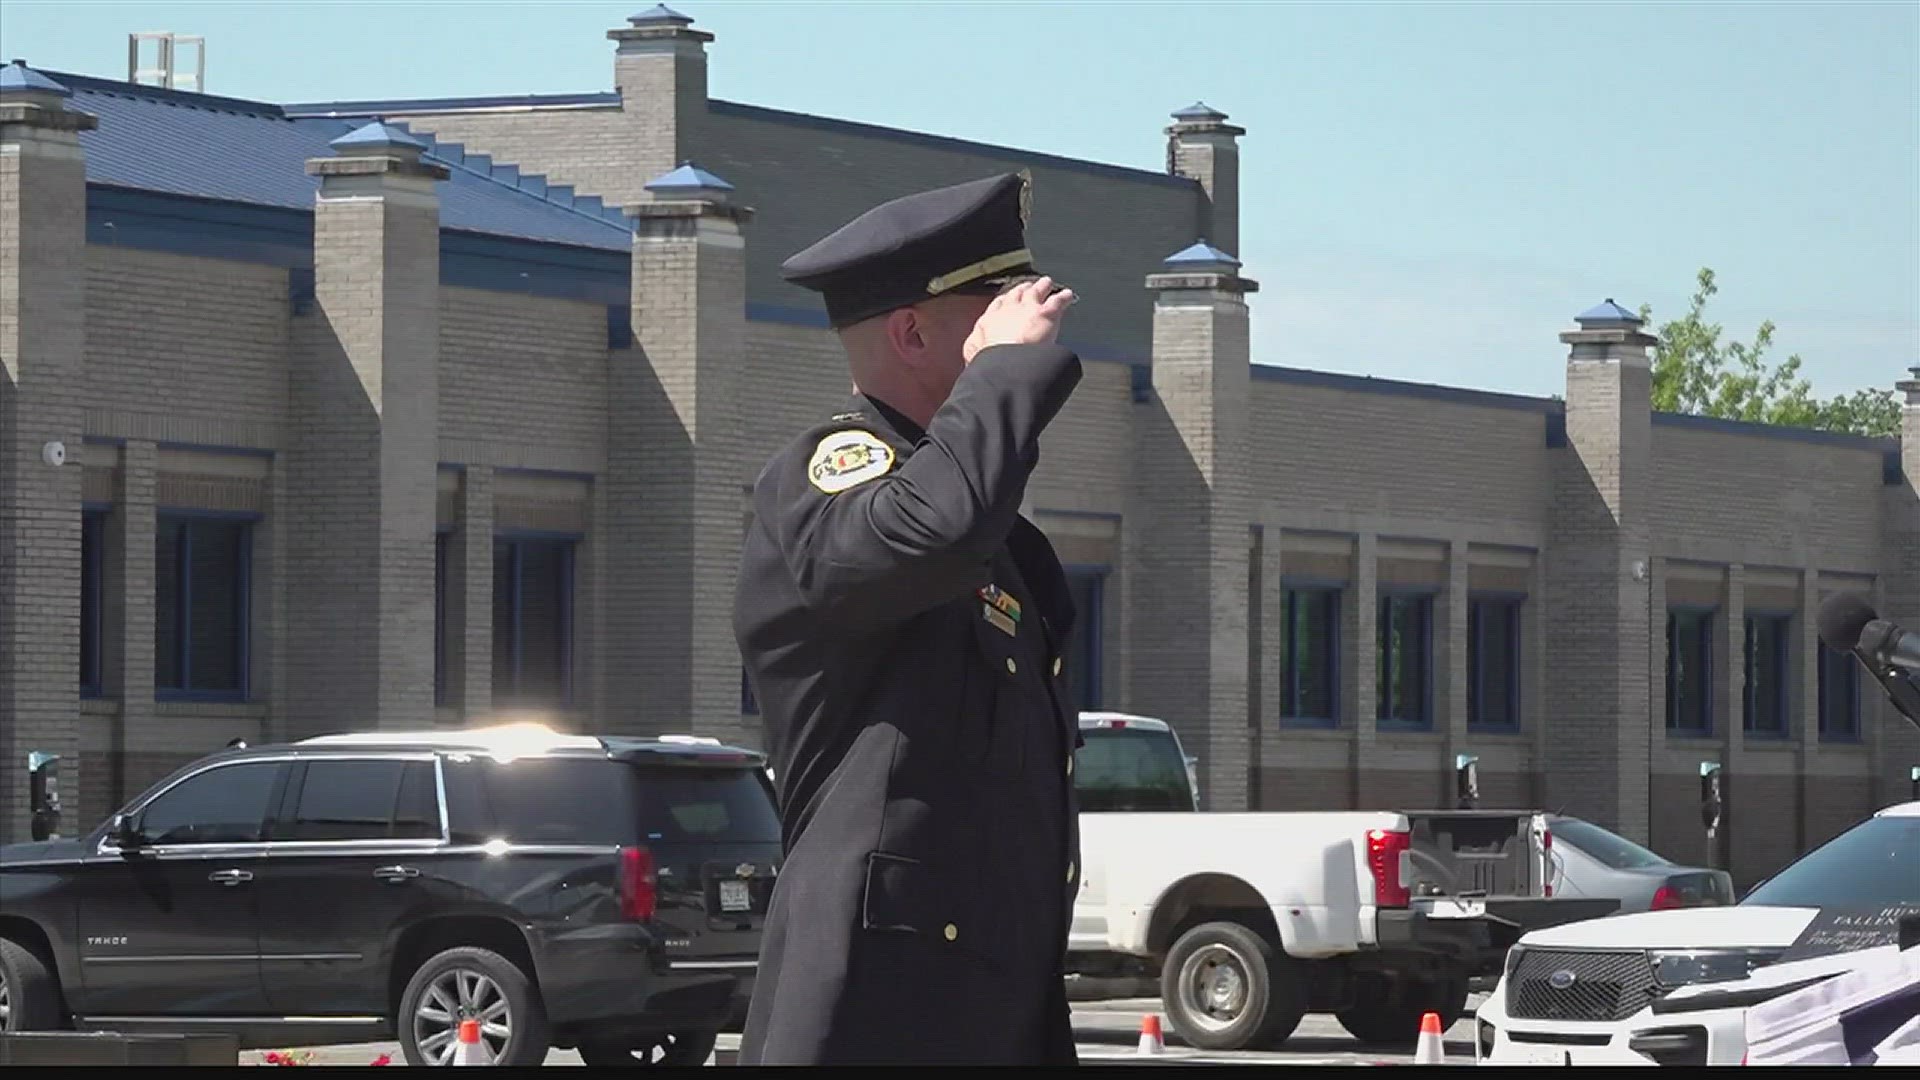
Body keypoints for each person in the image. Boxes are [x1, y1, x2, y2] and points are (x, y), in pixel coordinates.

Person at [734, 171, 1087, 1066]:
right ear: (912, 330)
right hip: (876, 1012)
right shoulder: (831, 472)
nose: (1032, 321)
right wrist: (1005, 373)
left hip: (988, 1009)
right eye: (998, 307)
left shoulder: (995, 541)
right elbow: (926, 528)